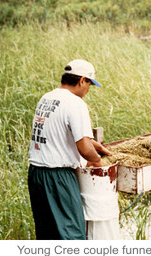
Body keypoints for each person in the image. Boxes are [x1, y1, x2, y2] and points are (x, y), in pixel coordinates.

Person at [28, 59, 112, 240]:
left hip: (36, 174)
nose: (88, 90)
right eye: (89, 84)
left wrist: (92, 144)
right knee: (72, 236)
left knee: (48, 235)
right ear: (82, 80)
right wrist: (97, 160)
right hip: (58, 177)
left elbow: (56, 134)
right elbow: (83, 149)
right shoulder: (75, 103)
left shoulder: (47, 98)